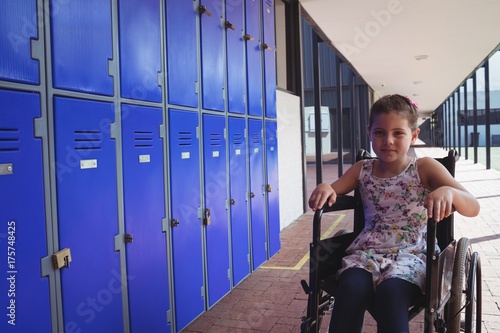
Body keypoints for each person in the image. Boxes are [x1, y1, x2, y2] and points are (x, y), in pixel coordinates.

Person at [308, 94, 480, 333]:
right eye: (379, 132)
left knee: (391, 295)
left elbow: (473, 206)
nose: (387, 140)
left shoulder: (424, 167)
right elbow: (334, 189)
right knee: (350, 288)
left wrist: (450, 192)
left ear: (414, 135)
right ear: (369, 132)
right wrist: (326, 187)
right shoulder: (362, 169)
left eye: (398, 133)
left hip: (412, 253)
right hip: (366, 252)